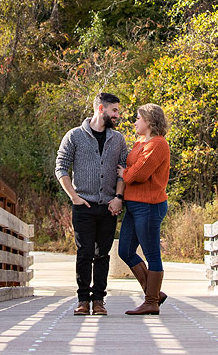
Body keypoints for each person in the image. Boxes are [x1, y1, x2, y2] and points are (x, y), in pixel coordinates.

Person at [54, 92, 128, 316]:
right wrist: (74, 197)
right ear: (100, 109)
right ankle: (83, 300)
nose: (117, 115)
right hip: (83, 206)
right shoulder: (74, 136)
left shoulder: (118, 139)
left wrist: (118, 198)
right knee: (84, 253)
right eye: (114, 110)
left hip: (108, 207)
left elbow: (123, 171)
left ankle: (99, 301)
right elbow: (61, 167)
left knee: (102, 255)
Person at [117, 103, 171, 316]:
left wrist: (125, 174)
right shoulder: (141, 142)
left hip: (149, 206)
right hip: (134, 205)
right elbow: (133, 168)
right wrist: (128, 172)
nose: (135, 122)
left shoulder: (158, 144)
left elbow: (137, 174)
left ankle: (151, 301)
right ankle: (155, 294)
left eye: (138, 118)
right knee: (125, 251)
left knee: (152, 254)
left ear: (149, 121)